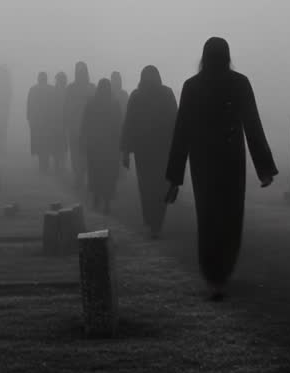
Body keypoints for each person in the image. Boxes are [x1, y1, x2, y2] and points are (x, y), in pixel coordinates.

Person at [166, 37, 278, 300]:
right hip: (231, 161)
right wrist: (264, 168)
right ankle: (223, 272)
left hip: (204, 162)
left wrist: (174, 178)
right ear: (227, 56)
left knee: (208, 219)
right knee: (230, 217)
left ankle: (213, 274)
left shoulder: (192, 86)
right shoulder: (239, 83)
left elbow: (182, 133)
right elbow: (253, 126)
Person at [121, 65, 178, 238]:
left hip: (144, 152)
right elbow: (176, 122)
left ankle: (150, 221)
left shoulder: (137, 96)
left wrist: (125, 152)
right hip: (162, 151)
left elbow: (128, 125)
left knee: (146, 188)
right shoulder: (166, 94)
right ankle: (156, 223)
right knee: (160, 187)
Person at [81, 78, 123, 214]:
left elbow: (85, 124)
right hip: (110, 147)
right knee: (108, 175)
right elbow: (119, 125)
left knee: (95, 172)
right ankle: (106, 203)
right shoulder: (114, 104)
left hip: (94, 145)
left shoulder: (91, 103)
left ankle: (96, 197)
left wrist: (84, 139)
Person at [64, 62, 95, 194]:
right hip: (75, 127)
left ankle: (86, 180)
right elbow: (66, 107)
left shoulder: (92, 88)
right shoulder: (71, 88)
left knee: (86, 155)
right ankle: (79, 178)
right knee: (76, 155)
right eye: (79, 71)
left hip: (87, 128)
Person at [26, 72, 53, 172]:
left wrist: (29, 119)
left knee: (40, 143)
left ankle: (42, 164)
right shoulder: (51, 89)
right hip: (48, 122)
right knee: (47, 143)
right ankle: (45, 164)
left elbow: (29, 106)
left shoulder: (33, 90)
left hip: (37, 122)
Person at [49, 71, 70, 176]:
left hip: (60, 122)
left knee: (59, 144)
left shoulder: (57, 91)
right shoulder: (66, 91)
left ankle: (58, 164)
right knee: (60, 144)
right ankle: (59, 164)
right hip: (59, 122)